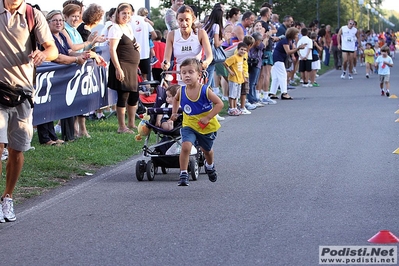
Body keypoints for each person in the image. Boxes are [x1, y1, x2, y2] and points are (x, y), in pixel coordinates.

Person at [0, 0, 58, 222]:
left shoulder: (33, 15)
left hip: (23, 92)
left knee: (17, 150)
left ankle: (8, 197)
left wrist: (44, 54)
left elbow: (51, 48)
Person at [170, 58, 223, 186]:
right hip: (189, 125)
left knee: (207, 151)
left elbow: (219, 104)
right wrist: (174, 112)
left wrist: (208, 117)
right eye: (183, 73)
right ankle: (183, 173)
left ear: (199, 74)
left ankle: (209, 165)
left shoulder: (205, 90)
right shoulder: (181, 91)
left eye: (190, 72)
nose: (187, 75)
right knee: (186, 146)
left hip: (206, 126)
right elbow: (175, 100)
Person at [108, 3, 141, 134]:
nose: (126, 16)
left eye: (128, 13)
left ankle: (131, 123)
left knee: (134, 95)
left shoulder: (128, 27)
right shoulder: (115, 28)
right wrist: (118, 68)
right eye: (123, 13)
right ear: (118, 14)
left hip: (132, 66)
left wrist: (136, 45)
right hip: (123, 64)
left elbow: (129, 41)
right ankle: (121, 126)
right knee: (124, 95)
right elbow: (112, 49)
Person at [161, 5, 213, 85]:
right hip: (179, 74)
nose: (184, 23)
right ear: (177, 20)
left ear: (193, 19)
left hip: (196, 74)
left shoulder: (201, 33)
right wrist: (165, 64)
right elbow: (166, 58)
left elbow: (210, 56)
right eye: (181, 20)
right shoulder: (172, 35)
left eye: (187, 20)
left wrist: (205, 62)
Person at [269, 28, 306, 100]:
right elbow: (288, 51)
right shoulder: (285, 40)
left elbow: (293, 48)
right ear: (292, 34)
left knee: (276, 77)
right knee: (283, 75)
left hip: (279, 59)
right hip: (278, 59)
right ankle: (284, 93)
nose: (297, 36)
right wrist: (298, 48)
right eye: (296, 34)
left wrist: (298, 48)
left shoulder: (289, 40)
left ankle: (272, 93)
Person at [224, 42, 248, 115]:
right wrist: (230, 71)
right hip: (234, 79)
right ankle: (231, 108)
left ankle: (235, 108)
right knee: (232, 94)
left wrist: (244, 78)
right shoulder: (234, 57)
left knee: (236, 95)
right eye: (241, 49)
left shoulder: (242, 58)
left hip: (239, 79)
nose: (243, 51)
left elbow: (242, 69)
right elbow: (225, 63)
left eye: (244, 50)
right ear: (237, 49)